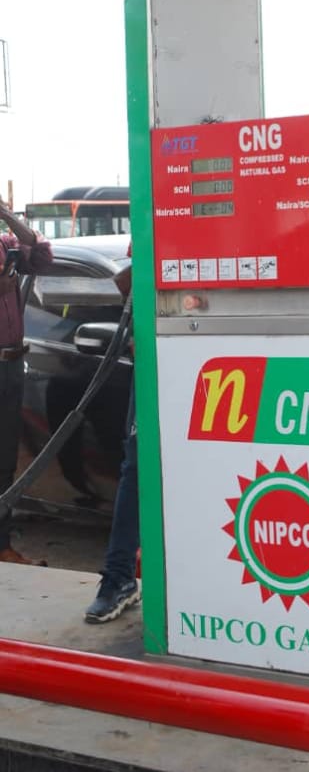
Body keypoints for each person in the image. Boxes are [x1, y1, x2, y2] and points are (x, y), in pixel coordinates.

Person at [84, 244, 140, 623]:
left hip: (217, 361)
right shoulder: (155, 224)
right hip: (156, 364)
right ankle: (119, 578)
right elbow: (127, 280)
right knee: (136, 470)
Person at [0, 195, 53, 565]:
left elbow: (42, 255)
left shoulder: (7, 245)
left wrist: (7, 216)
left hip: (10, 364)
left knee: (5, 461)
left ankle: (2, 545)